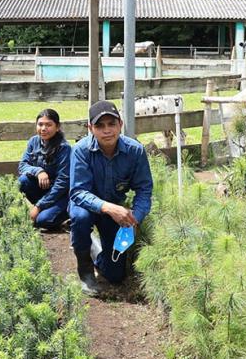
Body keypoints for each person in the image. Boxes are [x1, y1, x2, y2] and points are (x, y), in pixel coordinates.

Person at [69, 101, 153, 296]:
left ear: (120, 125)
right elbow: (78, 192)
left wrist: (135, 218)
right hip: (85, 206)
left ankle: (94, 248)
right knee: (80, 219)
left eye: (111, 124)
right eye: (100, 126)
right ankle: (85, 272)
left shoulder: (135, 151)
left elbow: (144, 189)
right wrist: (108, 207)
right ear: (90, 128)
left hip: (115, 211)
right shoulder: (81, 151)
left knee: (115, 276)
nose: (107, 130)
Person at [18, 108, 72, 229]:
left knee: (43, 221)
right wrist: (39, 171)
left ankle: (67, 214)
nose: (43, 128)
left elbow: (62, 183)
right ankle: (44, 210)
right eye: (40, 124)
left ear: (57, 127)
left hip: (61, 194)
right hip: (43, 189)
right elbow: (22, 166)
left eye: (48, 125)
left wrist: (38, 206)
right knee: (23, 181)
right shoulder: (33, 141)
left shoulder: (64, 148)